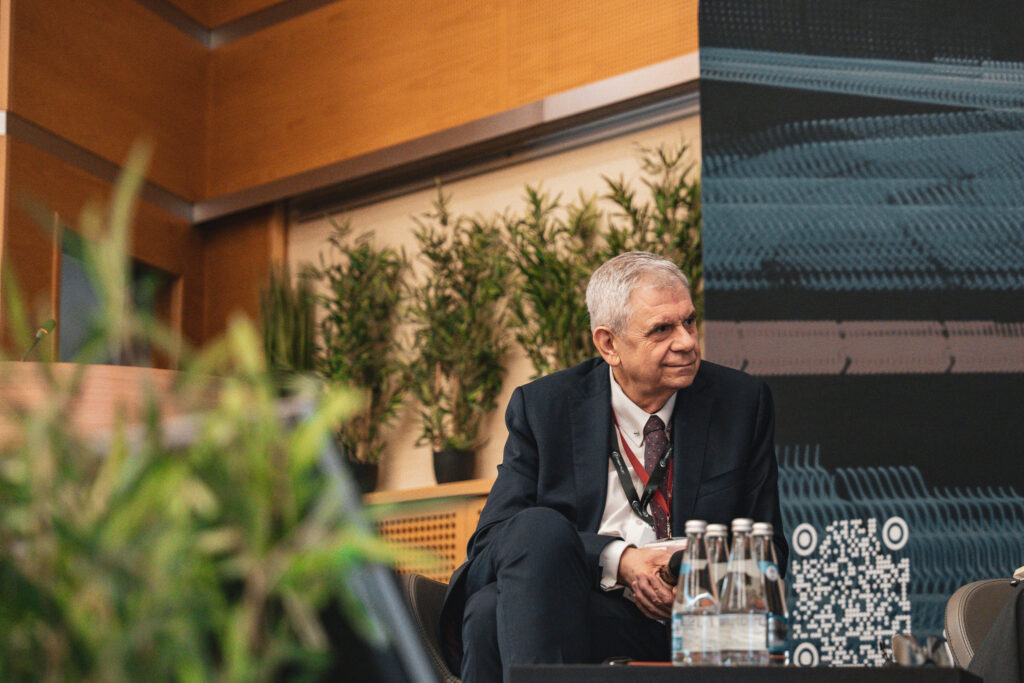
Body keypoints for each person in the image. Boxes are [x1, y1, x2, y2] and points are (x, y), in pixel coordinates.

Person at [438, 251, 787, 682]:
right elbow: (493, 542)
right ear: (608, 345)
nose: (686, 342)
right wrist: (617, 560)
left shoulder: (740, 402)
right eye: (662, 329)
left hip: (699, 623)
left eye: (689, 322)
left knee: (489, 614)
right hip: (587, 607)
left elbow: (770, 549)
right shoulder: (546, 408)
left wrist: (696, 574)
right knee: (532, 535)